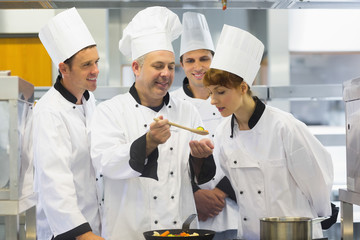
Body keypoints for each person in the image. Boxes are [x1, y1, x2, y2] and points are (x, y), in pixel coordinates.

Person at [90, 6, 215, 240]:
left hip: (180, 230)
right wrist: (148, 142)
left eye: (170, 66)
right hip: (130, 231)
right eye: (158, 66)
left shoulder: (186, 111)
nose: (166, 74)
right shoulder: (110, 111)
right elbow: (105, 163)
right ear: (136, 68)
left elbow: (198, 176)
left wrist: (201, 158)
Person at [203, 24, 334, 240]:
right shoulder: (223, 132)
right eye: (210, 93)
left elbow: (318, 180)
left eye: (220, 92)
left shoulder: (284, 126)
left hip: (296, 234)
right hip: (250, 235)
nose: (213, 100)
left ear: (243, 87)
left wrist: (321, 215)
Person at [34, 8, 103, 240]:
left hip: (94, 223)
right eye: (86, 65)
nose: (96, 70)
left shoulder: (90, 100)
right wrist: (82, 233)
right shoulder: (49, 111)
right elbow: (54, 181)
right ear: (63, 69)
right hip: (67, 231)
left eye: (96, 62)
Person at [171, 12, 238, 240]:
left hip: (232, 208)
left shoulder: (232, 100)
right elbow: (169, 157)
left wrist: (221, 191)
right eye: (190, 60)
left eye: (204, 59)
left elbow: (248, 150)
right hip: (189, 210)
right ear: (181, 64)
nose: (197, 66)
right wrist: (195, 194)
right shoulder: (172, 104)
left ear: (214, 59)